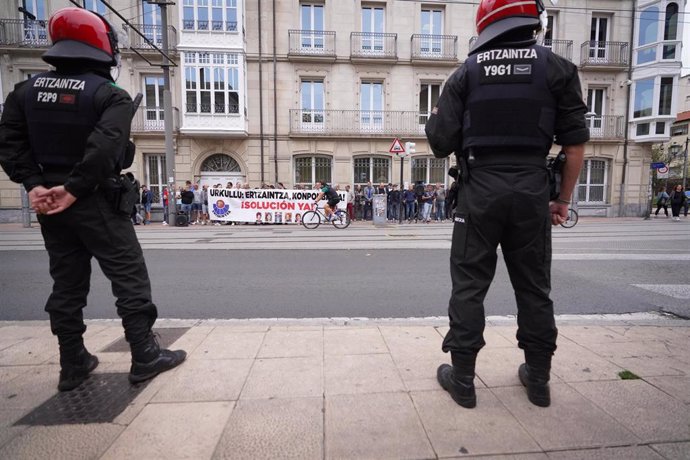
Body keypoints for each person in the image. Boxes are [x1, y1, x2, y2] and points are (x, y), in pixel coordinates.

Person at [0, 7, 186, 391]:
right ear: (102, 46)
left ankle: (72, 363)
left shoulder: (24, 91)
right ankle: (144, 355)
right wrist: (73, 189)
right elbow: (104, 150)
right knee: (129, 278)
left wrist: (35, 184)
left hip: (51, 205)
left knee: (66, 284)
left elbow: (9, 144)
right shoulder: (109, 95)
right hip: (95, 199)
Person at [426, 0, 589, 408]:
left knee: (469, 287)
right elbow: (574, 147)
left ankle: (463, 381)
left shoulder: (467, 71)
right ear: (532, 22)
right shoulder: (557, 69)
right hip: (533, 190)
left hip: (479, 190)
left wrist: (437, 116)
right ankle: (538, 380)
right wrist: (562, 200)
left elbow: (440, 142)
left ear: (486, 24)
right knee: (535, 288)